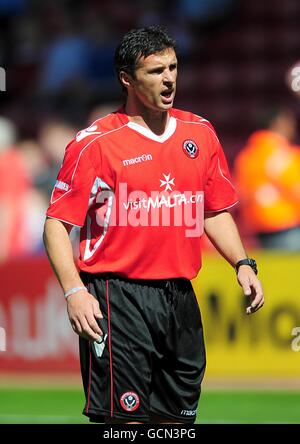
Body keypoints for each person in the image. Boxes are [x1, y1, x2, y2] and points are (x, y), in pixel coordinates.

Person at [43, 25, 264, 424]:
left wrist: (243, 264)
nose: (169, 79)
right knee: (123, 423)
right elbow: (57, 224)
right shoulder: (94, 144)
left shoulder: (200, 133)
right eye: (155, 71)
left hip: (179, 298)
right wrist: (74, 291)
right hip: (117, 296)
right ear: (127, 79)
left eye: (173, 68)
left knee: (177, 423)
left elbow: (213, 211)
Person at [234, 107, 300, 251]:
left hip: (258, 227)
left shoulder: (246, 156)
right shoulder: (284, 154)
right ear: (279, 123)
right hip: (287, 226)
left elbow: (240, 194)